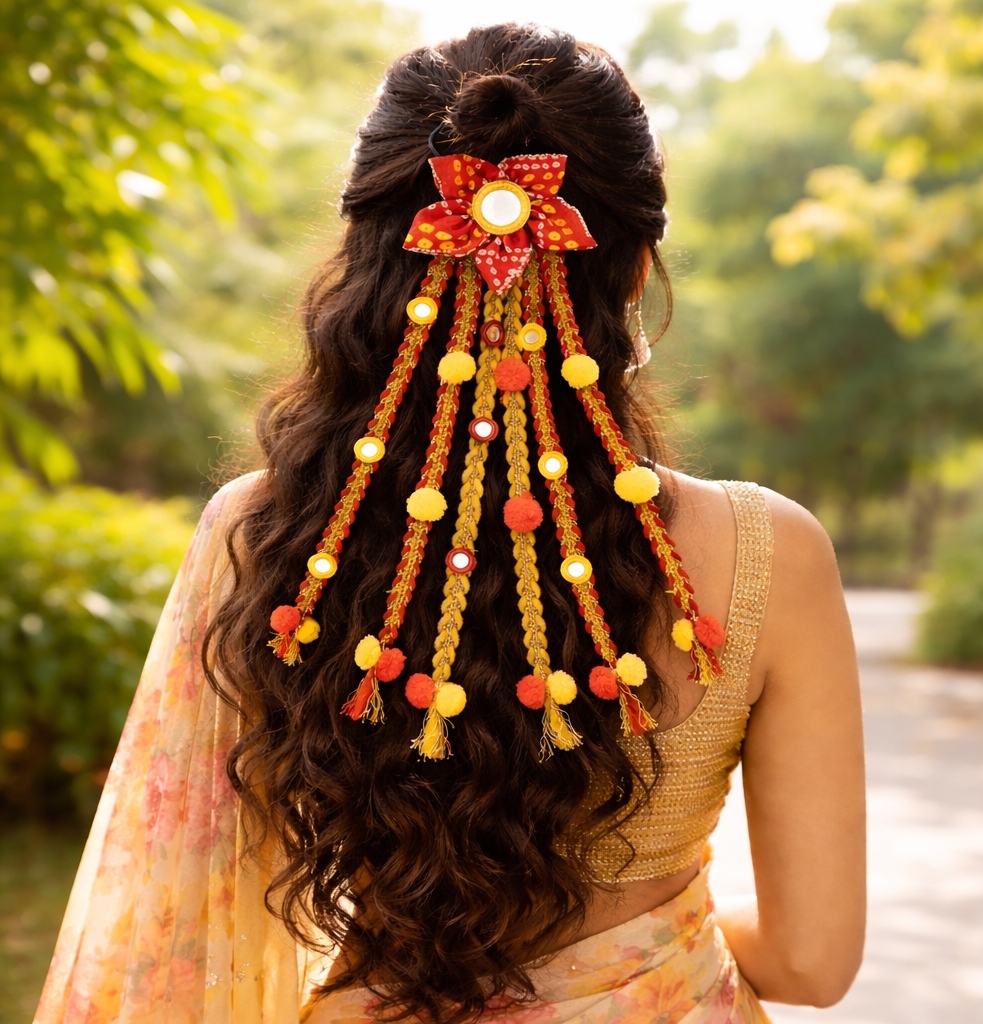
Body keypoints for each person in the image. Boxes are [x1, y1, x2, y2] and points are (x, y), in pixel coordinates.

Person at [36, 22, 865, 1024]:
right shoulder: (771, 554)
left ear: (373, 261)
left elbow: (175, 911)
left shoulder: (267, 533)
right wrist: (650, 938)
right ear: (637, 269)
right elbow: (814, 961)